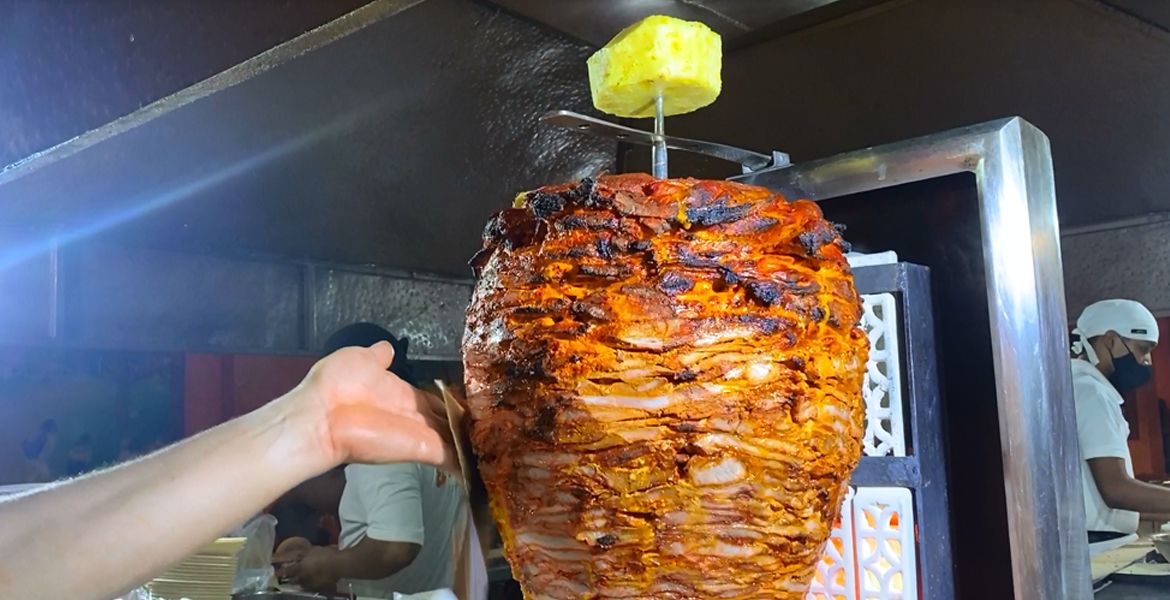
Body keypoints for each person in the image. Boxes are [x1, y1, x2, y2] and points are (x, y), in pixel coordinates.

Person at [0, 341, 454, 600]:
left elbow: (25, 554)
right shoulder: (383, 452)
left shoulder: (384, 456)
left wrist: (307, 426)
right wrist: (307, 428)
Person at [284, 323, 465, 597]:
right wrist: (331, 554)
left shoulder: (381, 439)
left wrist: (332, 563)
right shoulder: (432, 431)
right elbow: (393, 514)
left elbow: (396, 547)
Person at [1071, 299, 1170, 542]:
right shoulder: (1091, 392)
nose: (1147, 361)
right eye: (1143, 349)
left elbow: (1103, 499)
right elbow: (1116, 490)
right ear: (1111, 341)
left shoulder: (1082, 386)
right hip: (1099, 548)